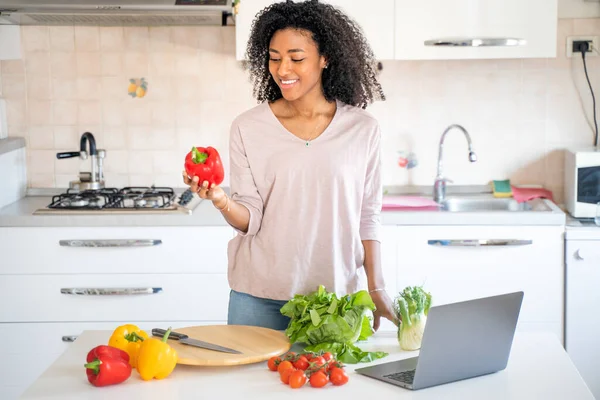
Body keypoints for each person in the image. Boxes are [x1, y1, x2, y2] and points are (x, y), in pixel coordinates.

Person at [183, 0, 398, 332]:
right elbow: (251, 218)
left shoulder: (362, 129)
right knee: (248, 385)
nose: (283, 69)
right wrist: (220, 199)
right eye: (274, 58)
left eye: (296, 58)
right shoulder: (247, 127)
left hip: (333, 301)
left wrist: (377, 287)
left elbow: (367, 216)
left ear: (325, 58)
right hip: (258, 298)